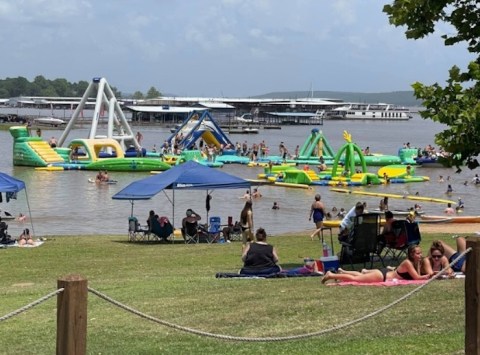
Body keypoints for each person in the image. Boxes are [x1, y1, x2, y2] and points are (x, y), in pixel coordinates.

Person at [322, 245, 431, 284]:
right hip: (382, 276)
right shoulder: (408, 262)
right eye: (418, 253)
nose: (420, 255)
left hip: (385, 274)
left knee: (359, 276)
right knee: (356, 280)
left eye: (420, 253)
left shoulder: (415, 262)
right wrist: (430, 276)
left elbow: (417, 276)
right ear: (411, 254)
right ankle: (331, 275)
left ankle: (337, 274)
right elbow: (417, 278)